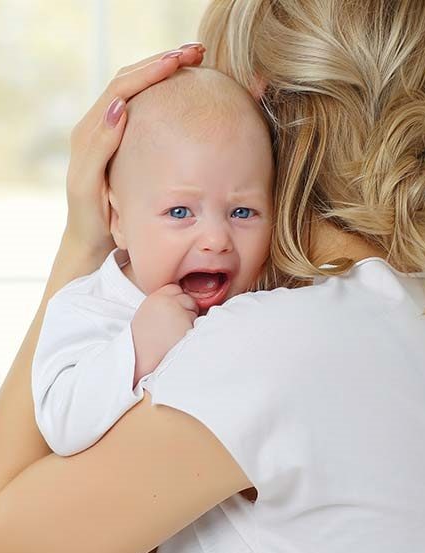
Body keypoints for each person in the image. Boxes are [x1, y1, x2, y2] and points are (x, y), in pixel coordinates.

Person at [0, 1, 425, 552]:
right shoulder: (417, 308)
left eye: (218, 86)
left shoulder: (276, 344)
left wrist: (86, 237)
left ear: (260, 101)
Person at [31, 66, 274, 462]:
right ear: (118, 221)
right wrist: (136, 348)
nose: (216, 240)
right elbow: (60, 424)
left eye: (242, 212)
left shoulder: (262, 305)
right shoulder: (87, 308)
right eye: (180, 212)